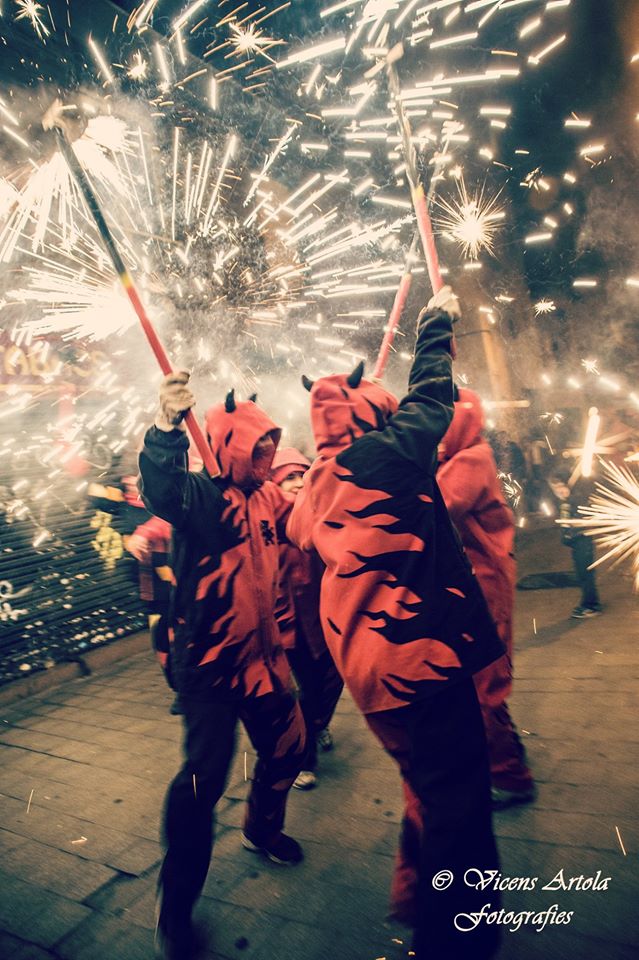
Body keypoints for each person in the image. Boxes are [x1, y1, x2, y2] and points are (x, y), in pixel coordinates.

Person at [287, 287, 505, 960]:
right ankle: (456, 937)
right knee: (457, 802)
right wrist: (435, 323)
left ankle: (420, 900)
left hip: (370, 674)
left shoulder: (320, 480)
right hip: (419, 662)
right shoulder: (383, 458)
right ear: (369, 418)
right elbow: (432, 401)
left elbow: (295, 530)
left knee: (429, 790)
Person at [138, 376, 306, 960]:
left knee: (288, 749)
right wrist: (165, 429)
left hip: (265, 661)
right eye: (256, 447)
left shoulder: (268, 498)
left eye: (270, 445)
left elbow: (310, 519)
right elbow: (163, 489)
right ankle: (175, 907)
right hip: (210, 668)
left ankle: (261, 829)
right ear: (232, 446)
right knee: (201, 782)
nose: (266, 456)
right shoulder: (203, 499)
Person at [438, 388, 536, 809]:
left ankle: (510, 776)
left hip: (485, 587)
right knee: (479, 680)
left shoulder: (471, 460)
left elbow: (435, 508)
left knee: (484, 685)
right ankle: (506, 753)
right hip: (478, 585)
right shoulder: (461, 457)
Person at [271, 447, 344, 790]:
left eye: (302, 475)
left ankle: (317, 725)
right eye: (288, 478)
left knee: (334, 679)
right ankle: (302, 757)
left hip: (326, 618)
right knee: (306, 689)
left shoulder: (319, 515)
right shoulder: (267, 525)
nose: (298, 483)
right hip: (289, 625)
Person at [125, 514, 183, 714]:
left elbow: (166, 521)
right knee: (163, 640)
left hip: (184, 593)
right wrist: (140, 536)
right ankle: (180, 689)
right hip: (159, 595)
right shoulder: (129, 506)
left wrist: (143, 534)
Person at [550, 470, 602, 618]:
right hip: (576, 542)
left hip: (583, 541)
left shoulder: (577, 499)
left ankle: (591, 606)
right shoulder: (564, 502)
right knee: (581, 574)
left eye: (561, 486)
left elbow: (583, 518)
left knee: (585, 574)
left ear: (568, 484)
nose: (559, 491)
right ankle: (589, 603)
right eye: (555, 489)